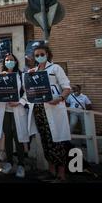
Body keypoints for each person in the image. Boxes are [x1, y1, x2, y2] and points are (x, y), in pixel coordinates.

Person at [26, 44, 71, 182]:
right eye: (37, 55)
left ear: (47, 54)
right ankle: (51, 171)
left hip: (54, 109)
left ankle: (61, 174)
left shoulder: (55, 68)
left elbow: (67, 87)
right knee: (45, 140)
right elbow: (28, 90)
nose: (40, 57)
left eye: (42, 54)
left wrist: (60, 99)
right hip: (39, 110)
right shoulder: (32, 71)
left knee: (57, 141)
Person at [0, 53, 30, 178]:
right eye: (7, 60)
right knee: (8, 136)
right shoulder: (0, 76)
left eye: (11, 60)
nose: (9, 61)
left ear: (15, 62)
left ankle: (21, 165)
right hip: (5, 111)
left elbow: (28, 93)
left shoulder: (21, 75)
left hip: (18, 110)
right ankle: (9, 163)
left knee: (18, 137)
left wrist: (19, 102)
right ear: (4, 62)